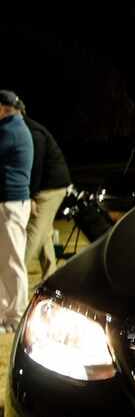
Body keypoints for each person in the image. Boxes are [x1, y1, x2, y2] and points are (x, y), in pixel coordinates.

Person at [21, 100, 72, 281]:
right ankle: (52, 276)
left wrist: (31, 196)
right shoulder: (26, 130)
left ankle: (14, 273)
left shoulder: (33, 133)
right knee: (44, 234)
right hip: (48, 185)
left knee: (34, 231)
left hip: (50, 188)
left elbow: (36, 166)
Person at [0, 90, 33, 333]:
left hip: (11, 203)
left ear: (3, 108)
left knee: (12, 261)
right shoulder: (16, 127)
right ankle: (6, 313)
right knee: (6, 260)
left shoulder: (9, 131)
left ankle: (15, 315)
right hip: (12, 202)